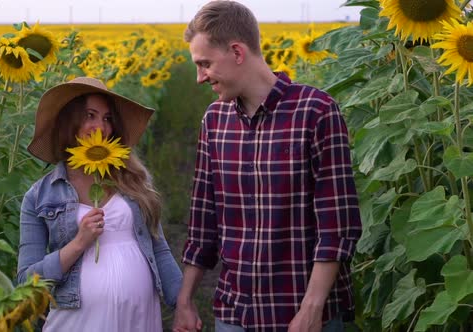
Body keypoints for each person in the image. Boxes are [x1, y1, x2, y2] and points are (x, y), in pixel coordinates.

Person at [172, 1, 362, 331]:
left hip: (304, 313)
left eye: (205, 64)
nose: (200, 77)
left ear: (237, 51)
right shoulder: (215, 121)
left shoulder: (315, 112)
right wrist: (185, 301)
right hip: (236, 312)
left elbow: (337, 225)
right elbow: (204, 220)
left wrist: (311, 307)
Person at [18, 77, 183, 331]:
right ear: (69, 122)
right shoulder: (40, 196)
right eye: (90, 116)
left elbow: (159, 250)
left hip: (139, 318)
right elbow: (26, 282)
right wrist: (78, 244)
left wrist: (183, 305)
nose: (101, 127)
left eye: (107, 118)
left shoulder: (133, 180)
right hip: (77, 322)